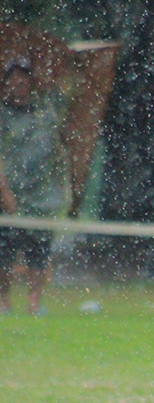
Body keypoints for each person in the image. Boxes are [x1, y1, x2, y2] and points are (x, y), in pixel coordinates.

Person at [0, 55, 70, 315]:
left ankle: (33, 302)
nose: (18, 81)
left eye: (23, 75)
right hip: (12, 197)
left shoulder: (48, 108)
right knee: (4, 252)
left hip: (43, 197)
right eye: (13, 76)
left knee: (38, 253)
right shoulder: (3, 115)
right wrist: (4, 189)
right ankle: (4, 301)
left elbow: (68, 88)